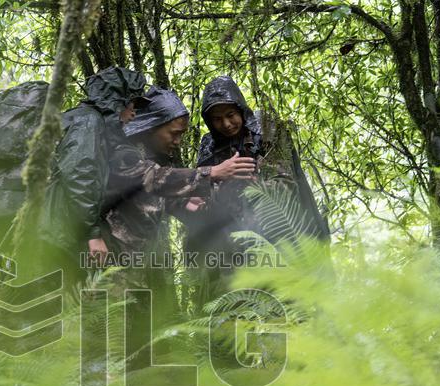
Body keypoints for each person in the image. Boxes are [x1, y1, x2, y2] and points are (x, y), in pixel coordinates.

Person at [98, 87, 256, 339]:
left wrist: (181, 203)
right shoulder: (123, 152)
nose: (178, 140)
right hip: (108, 256)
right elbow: (151, 178)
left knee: (131, 334)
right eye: (174, 133)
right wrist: (212, 172)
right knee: (108, 330)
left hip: (135, 259)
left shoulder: (152, 154)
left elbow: (145, 195)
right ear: (152, 127)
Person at [182, 76, 330, 308]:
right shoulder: (209, 145)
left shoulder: (268, 131)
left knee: (286, 308)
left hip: (278, 234)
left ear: (241, 110)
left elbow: (285, 184)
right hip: (230, 249)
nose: (226, 124)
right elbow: (201, 196)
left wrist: (246, 186)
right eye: (217, 119)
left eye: (231, 115)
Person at [38, 67, 148, 279]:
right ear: (117, 102)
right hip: (59, 232)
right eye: (131, 105)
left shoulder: (80, 119)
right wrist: (92, 234)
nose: (134, 113)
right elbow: (80, 177)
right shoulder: (89, 121)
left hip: (54, 228)